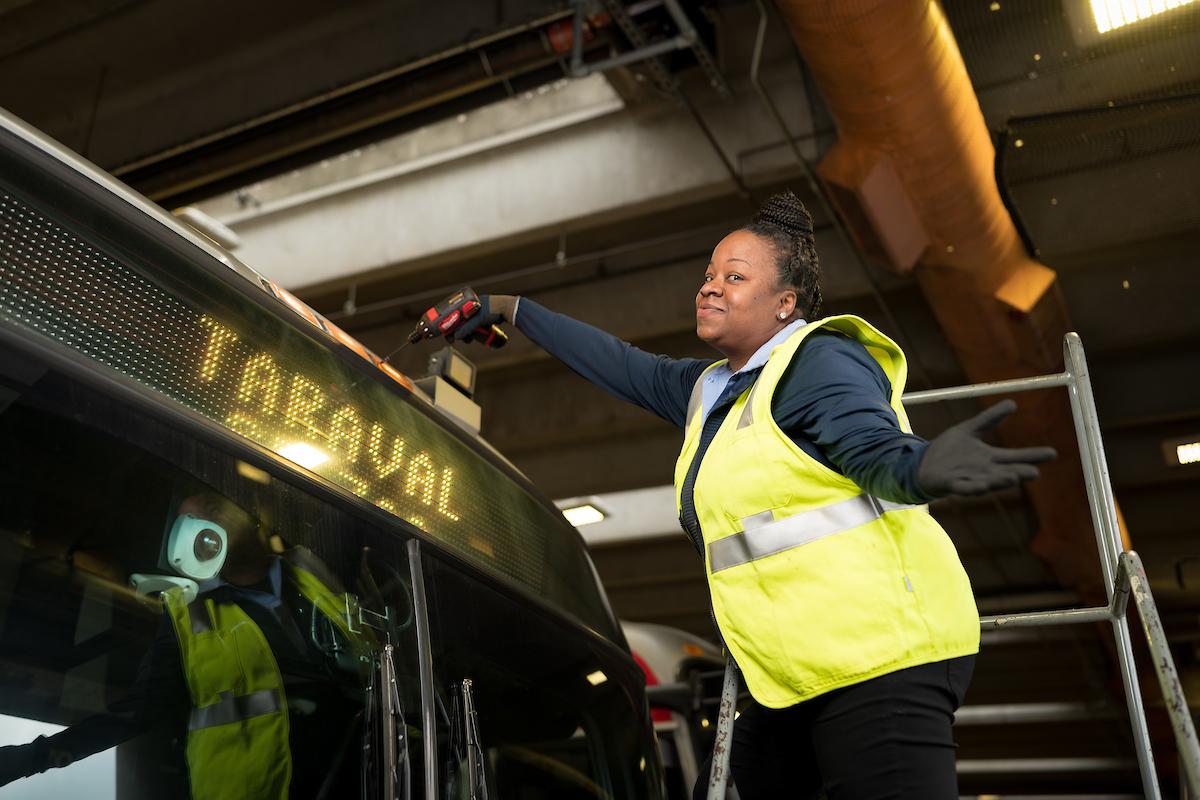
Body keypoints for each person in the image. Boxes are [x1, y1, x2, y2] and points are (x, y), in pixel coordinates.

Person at [450, 190, 1055, 799]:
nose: (710, 287)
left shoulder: (818, 360)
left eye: (734, 277)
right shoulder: (713, 389)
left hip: (883, 656)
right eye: (708, 275)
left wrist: (918, 467)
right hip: (793, 672)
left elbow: (869, 446)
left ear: (784, 304)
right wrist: (511, 308)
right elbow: (619, 363)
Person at [0, 491, 373, 799]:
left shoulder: (311, 565)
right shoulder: (186, 615)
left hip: (375, 770)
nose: (206, 523)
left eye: (211, 506)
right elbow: (140, 709)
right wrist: (35, 757)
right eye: (189, 522)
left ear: (245, 506)